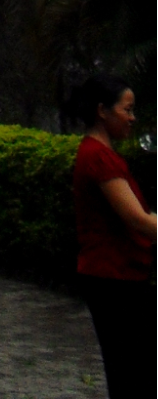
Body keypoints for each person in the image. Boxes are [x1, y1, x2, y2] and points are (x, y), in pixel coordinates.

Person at [69, 72, 155, 399]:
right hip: (113, 278)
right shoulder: (98, 157)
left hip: (117, 275)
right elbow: (138, 220)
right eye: (127, 110)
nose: (132, 119)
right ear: (102, 111)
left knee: (130, 369)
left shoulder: (99, 153)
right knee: (132, 372)